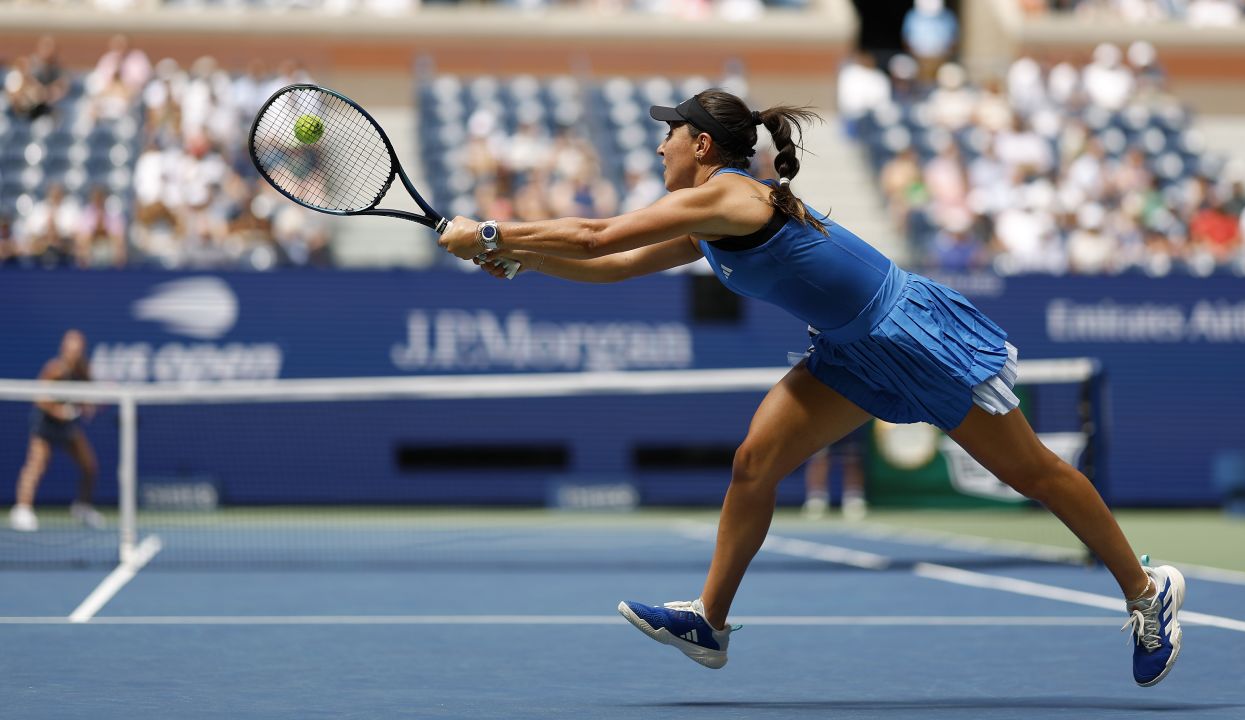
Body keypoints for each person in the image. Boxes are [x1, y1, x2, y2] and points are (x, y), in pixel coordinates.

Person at [438, 89, 1184, 687]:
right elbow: (606, 267)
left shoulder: (729, 196)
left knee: (1032, 473)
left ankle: (1146, 591)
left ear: (702, 146)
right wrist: (526, 261)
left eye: (669, 133)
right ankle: (710, 623)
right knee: (754, 462)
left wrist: (496, 234)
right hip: (852, 353)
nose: (658, 143)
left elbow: (600, 233)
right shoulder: (706, 220)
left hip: (909, 329)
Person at [9, 330, 105, 533]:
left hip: (67, 426)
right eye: (71, 348)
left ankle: (83, 507)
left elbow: (88, 395)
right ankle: (22, 510)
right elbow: (40, 398)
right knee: (36, 465)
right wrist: (59, 411)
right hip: (46, 424)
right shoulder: (54, 369)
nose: (74, 353)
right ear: (64, 348)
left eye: (78, 349)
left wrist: (89, 405)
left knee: (89, 465)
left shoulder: (83, 370)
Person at [801, 429, 866, 520]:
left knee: (852, 454)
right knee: (819, 455)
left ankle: (853, 498)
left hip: (851, 419)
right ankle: (816, 499)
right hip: (822, 420)